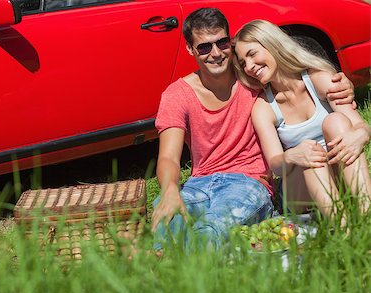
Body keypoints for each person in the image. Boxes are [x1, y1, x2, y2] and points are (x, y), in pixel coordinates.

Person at [150, 8, 356, 252]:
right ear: (190, 49)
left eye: (222, 43)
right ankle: (161, 264)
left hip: (248, 182)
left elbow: (294, 74)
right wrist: (171, 190)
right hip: (198, 184)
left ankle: (180, 267)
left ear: (230, 41)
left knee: (213, 226)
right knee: (168, 210)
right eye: (204, 47)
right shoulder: (178, 94)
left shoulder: (252, 79)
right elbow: (168, 158)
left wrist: (342, 86)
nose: (215, 54)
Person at [233, 20, 370, 221]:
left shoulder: (319, 79)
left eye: (252, 54)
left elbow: (360, 126)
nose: (250, 67)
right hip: (301, 188)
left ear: (272, 44)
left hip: (339, 172)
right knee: (309, 152)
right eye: (243, 62)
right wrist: (294, 155)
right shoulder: (264, 107)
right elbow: (275, 164)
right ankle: (342, 229)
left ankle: (366, 214)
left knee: (336, 121)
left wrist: (360, 135)